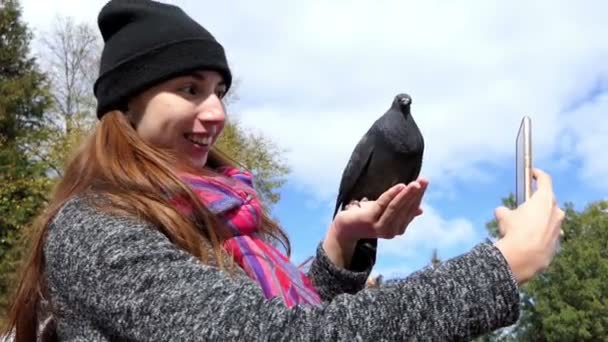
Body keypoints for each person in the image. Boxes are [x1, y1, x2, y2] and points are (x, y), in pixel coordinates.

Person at [2, 0, 565, 341]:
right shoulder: (95, 229)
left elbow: (252, 317)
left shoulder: (215, 214)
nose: (217, 112)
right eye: (188, 89)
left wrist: (340, 247)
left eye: (220, 90)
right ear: (125, 108)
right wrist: (499, 268)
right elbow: (281, 336)